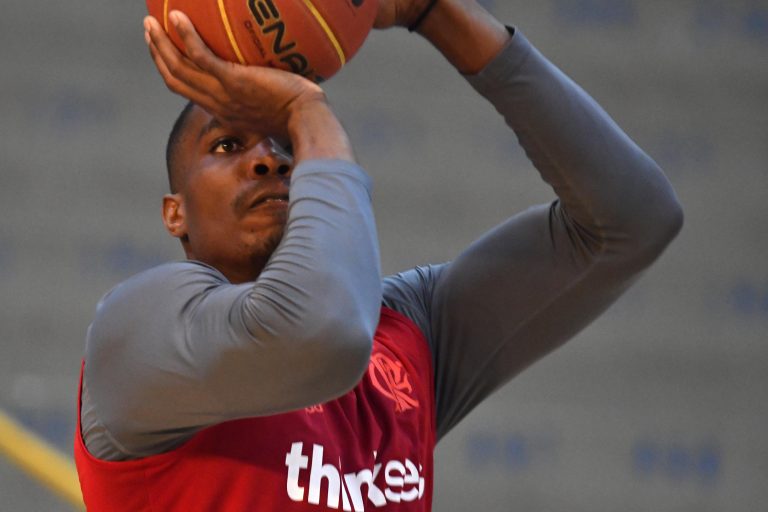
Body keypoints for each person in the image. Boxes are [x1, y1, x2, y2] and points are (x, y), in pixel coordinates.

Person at [73, 0, 683, 510]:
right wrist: (305, 110)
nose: (269, 160)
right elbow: (320, 334)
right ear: (174, 212)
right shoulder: (138, 332)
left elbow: (633, 221)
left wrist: (437, 14)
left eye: (289, 144)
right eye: (228, 144)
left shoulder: (406, 334)